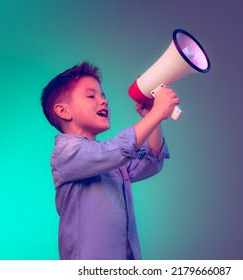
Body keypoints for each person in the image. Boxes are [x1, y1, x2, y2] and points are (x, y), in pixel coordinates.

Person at [40, 61, 179, 259]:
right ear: (64, 111)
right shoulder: (65, 153)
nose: (104, 101)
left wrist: (151, 118)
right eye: (91, 96)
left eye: (103, 96)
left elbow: (151, 162)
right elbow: (117, 150)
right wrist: (157, 113)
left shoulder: (109, 161)